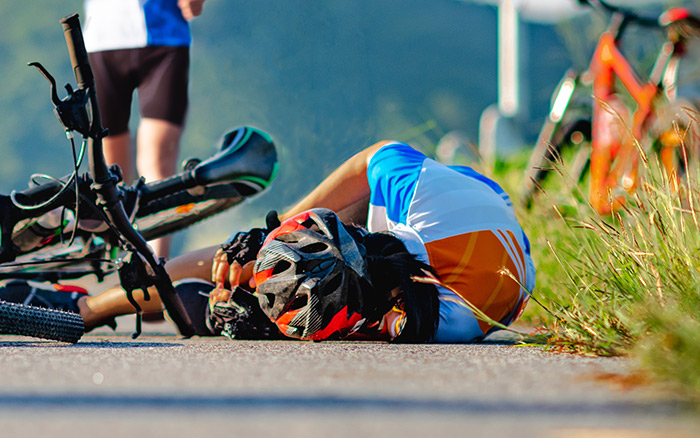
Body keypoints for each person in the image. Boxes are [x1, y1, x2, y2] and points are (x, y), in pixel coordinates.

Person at [0, 139, 535, 343]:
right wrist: (272, 232)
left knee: (236, 308)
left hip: (479, 252)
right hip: (474, 197)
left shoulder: (441, 318)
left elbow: (375, 326)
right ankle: (88, 306)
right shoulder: (418, 194)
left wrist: (255, 318)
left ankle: (86, 306)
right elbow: (370, 159)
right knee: (254, 262)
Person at [82, 0, 206, 257]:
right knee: (112, 175)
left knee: (158, 160)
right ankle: (124, 265)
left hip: (165, 40)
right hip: (102, 41)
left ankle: (158, 266)